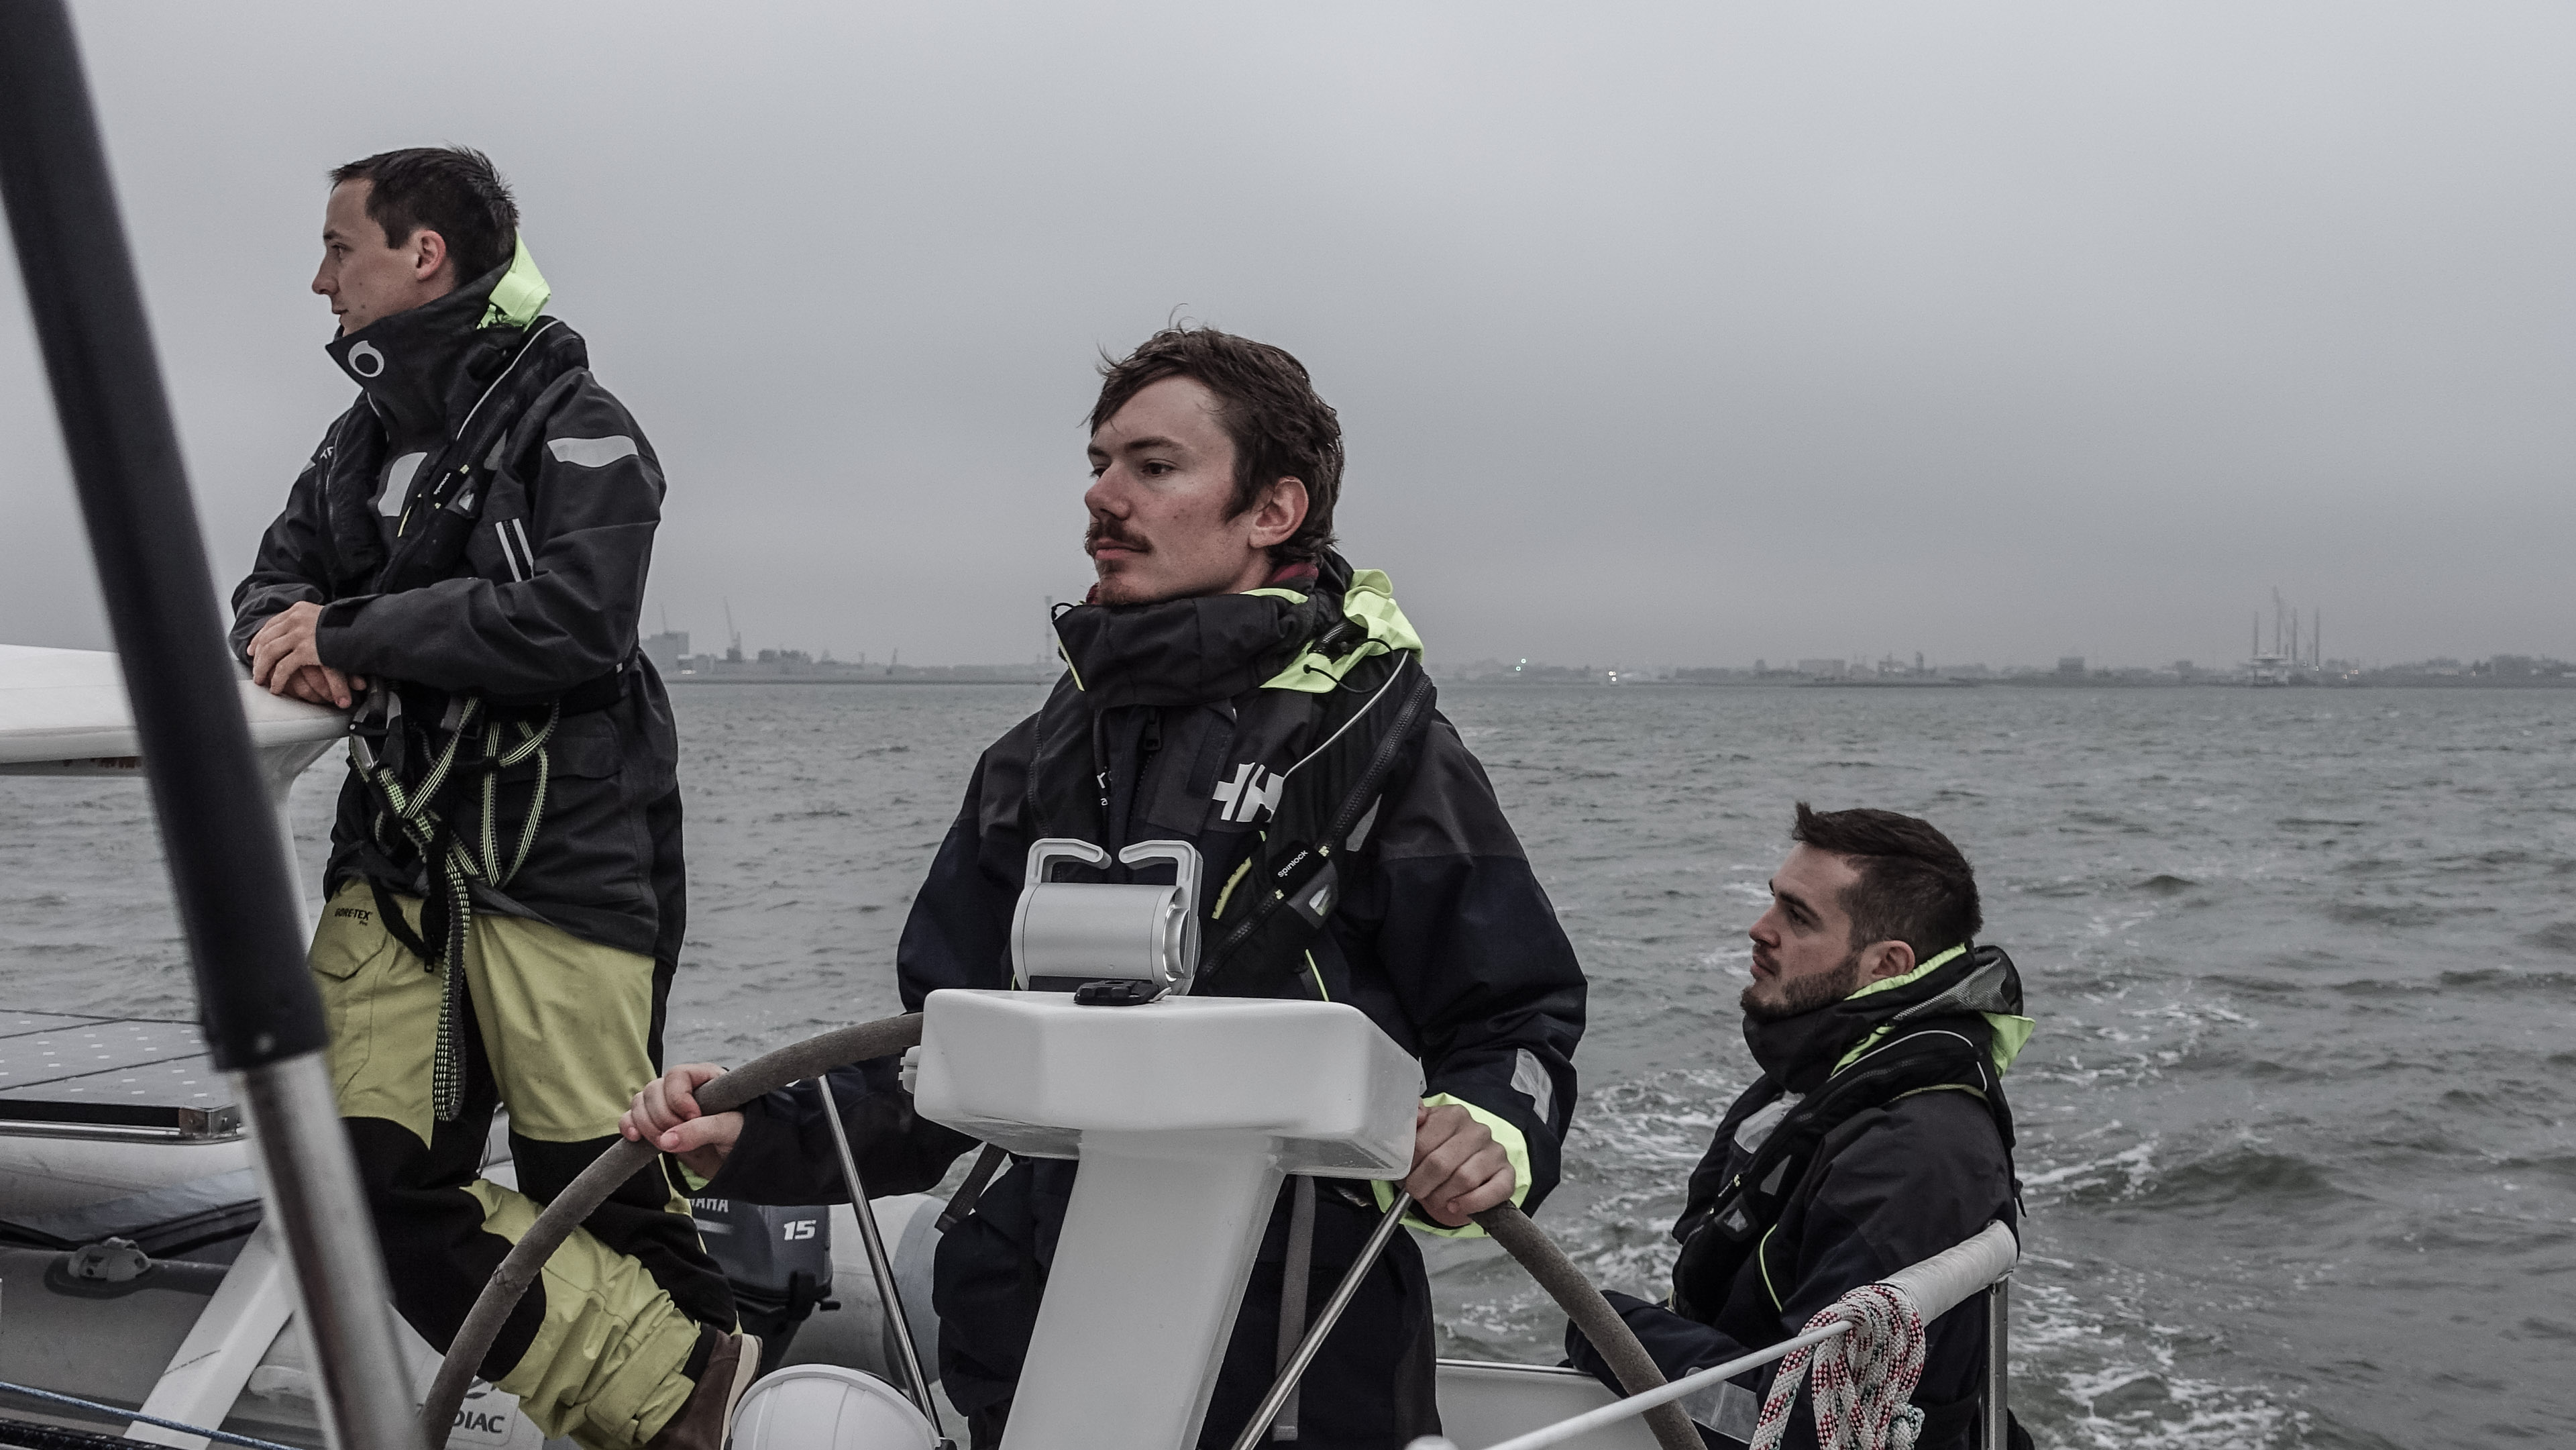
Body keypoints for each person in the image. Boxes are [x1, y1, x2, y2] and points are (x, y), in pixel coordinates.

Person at [621, 326, 1589, 1449]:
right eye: (1099, 463)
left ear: (1272, 510)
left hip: (1298, 1360)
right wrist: (754, 1130)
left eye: (1154, 466)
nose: (1102, 496)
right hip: (1034, 1340)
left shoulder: (1380, 755)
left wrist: (1487, 1129)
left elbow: (1517, 1016)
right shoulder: (1033, 763)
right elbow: (936, 1052)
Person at [229, 147, 751, 1450]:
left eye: (338, 247)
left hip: (562, 863)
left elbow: (575, 618)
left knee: (597, 1182)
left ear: (423, 255)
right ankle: (676, 1392)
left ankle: (700, 1402)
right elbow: (270, 592)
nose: (318, 280)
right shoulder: (355, 446)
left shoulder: (582, 425)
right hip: (396, 869)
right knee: (347, 1180)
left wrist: (350, 632)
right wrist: (292, 646)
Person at [1564, 805, 2033, 1450]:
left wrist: (1608, 1332)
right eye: (1773, 901)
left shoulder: (1914, 1156)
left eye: (1798, 916)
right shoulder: (1829, 1078)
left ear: (1887, 964)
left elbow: (1810, 1426)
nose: (1761, 929)